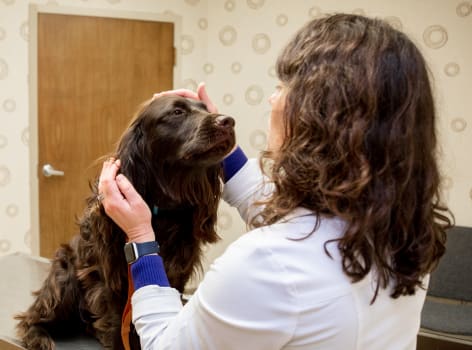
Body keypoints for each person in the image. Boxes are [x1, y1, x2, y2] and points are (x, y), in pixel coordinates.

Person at [98, 13, 453, 350]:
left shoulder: (268, 263)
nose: (272, 97)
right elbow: (271, 206)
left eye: (283, 86)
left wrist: (142, 240)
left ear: (319, 117)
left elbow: (165, 345)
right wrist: (218, 141)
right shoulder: (402, 233)